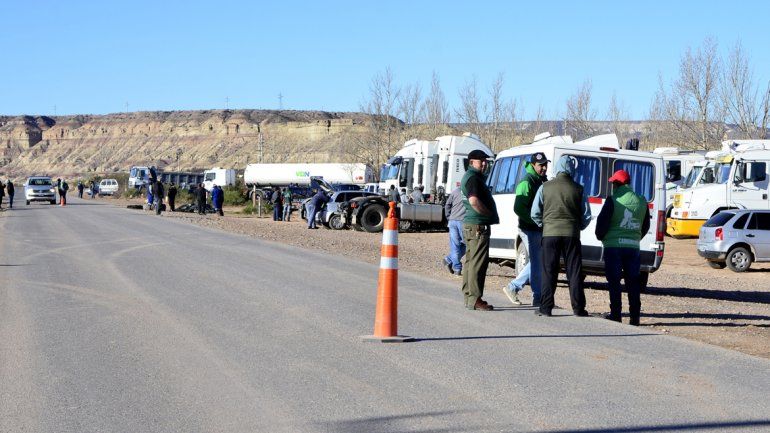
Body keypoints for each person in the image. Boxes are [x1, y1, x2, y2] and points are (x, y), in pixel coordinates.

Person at [531, 155, 592, 317]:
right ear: (572, 170)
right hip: (572, 235)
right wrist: (577, 227)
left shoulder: (545, 187)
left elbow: (534, 213)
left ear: (557, 169)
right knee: (574, 272)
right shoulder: (579, 189)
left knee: (549, 271)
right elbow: (587, 215)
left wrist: (544, 225)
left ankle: (546, 308)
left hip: (549, 235)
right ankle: (578, 308)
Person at [595, 169, 650, 326]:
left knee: (614, 282)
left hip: (613, 247)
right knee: (633, 282)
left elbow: (602, 224)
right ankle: (635, 318)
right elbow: (645, 225)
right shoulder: (642, 200)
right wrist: (635, 237)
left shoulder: (613, 200)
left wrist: (601, 237)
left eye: (613, 183)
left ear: (616, 184)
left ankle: (616, 315)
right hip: (633, 247)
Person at [503, 152, 549, 307]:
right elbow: (518, 208)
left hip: (537, 228)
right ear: (533, 165)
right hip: (529, 229)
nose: (544, 168)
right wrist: (535, 221)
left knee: (538, 261)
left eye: (545, 164)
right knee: (537, 262)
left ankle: (516, 288)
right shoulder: (527, 181)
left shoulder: (542, 180)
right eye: (540, 165)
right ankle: (536, 296)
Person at [460, 149, 499, 311]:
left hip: (472, 225)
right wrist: (487, 213)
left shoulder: (471, 177)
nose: (484, 163)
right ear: (471, 162)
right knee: (478, 263)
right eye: (480, 161)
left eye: (485, 161)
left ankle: (469, 296)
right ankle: (475, 298)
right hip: (478, 226)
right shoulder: (474, 178)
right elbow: (474, 201)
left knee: (471, 262)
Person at [443, 186, 466, 276]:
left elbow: (447, 205)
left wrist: (449, 217)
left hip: (452, 221)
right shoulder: (470, 191)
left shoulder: (455, 191)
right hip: (463, 221)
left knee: (455, 246)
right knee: (467, 245)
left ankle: (454, 265)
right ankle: (451, 262)